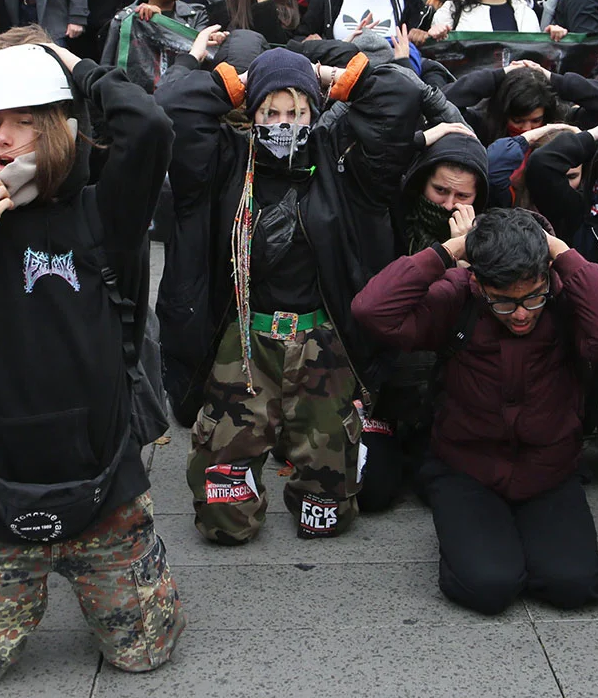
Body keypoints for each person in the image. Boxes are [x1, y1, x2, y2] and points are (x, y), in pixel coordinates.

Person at [0, 42, 184, 685]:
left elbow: (150, 127)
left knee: (144, 654)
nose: (5, 140)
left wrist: (74, 65)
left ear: (60, 127)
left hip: (101, 484)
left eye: (26, 120)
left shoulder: (97, 213)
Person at [158, 42, 426, 542]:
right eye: (272, 110)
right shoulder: (223, 162)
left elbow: (399, 96)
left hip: (322, 343)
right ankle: (242, 485)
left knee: (325, 515)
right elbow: (174, 107)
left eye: (297, 111)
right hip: (245, 340)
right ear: (251, 112)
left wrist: (329, 75)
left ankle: (314, 482)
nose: (285, 123)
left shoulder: (344, 165)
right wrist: (235, 81)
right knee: (223, 524)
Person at [352, 206, 598, 613]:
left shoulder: (564, 297)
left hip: (549, 470)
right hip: (465, 467)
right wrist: (452, 249)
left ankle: (523, 548)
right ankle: (484, 545)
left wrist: (558, 251)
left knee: (575, 585)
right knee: (489, 586)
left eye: (532, 297)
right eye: (504, 303)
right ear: (480, 282)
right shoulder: (460, 295)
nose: (522, 313)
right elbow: (372, 309)